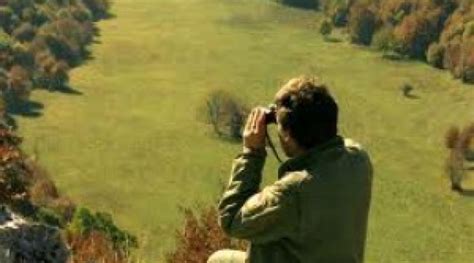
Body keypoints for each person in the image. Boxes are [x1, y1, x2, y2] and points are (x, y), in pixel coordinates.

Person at [207, 76, 373, 263]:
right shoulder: (359, 159)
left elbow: (231, 219)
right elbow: (334, 139)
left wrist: (251, 153)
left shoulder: (293, 192)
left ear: (288, 135)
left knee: (218, 260)